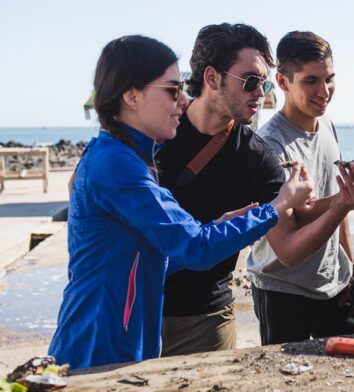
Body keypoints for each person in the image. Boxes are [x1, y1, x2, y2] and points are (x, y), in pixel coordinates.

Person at [48, 35, 312, 369]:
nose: (184, 100)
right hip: (99, 349)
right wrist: (275, 207)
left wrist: (220, 226)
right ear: (131, 96)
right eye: (172, 90)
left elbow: (144, 257)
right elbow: (195, 248)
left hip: (115, 343)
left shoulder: (126, 157)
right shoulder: (117, 165)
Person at [248, 31, 354, 345]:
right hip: (282, 290)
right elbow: (288, 250)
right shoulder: (270, 146)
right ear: (282, 82)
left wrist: (349, 268)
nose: (324, 91)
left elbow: (338, 208)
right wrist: (344, 201)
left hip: (334, 283)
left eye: (329, 79)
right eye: (310, 81)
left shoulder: (327, 124)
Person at [157, 23, 286, 356]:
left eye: (265, 82)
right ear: (212, 78)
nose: (261, 92)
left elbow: (291, 237)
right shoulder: (157, 131)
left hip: (206, 319)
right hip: (134, 308)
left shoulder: (259, 159)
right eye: (251, 81)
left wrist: (341, 204)